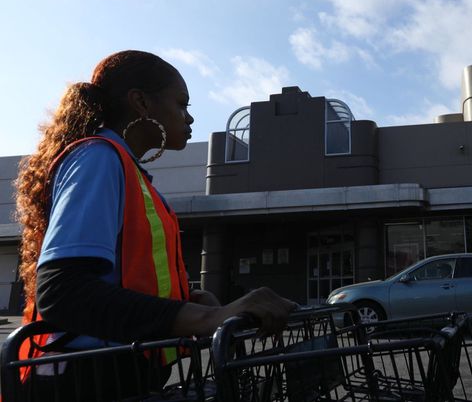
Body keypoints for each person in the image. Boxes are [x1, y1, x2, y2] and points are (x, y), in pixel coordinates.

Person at [14, 50, 296, 397]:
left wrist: (190, 298)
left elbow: (121, 279)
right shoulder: (98, 158)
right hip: (84, 380)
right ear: (141, 103)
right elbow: (62, 291)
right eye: (182, 104)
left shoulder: (130, 171)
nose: (190, 118)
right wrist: (203, 319)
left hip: (124, 372)